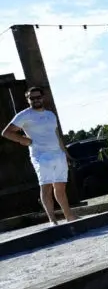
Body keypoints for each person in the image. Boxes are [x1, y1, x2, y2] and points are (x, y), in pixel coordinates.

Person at [2, 86, 78, 225]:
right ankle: (52, 220)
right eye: (32, 98)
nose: (36, 100)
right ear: (28, 99)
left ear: (42, 98)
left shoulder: (50, 115)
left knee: (60, 187)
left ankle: (69, 216)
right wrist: (23, 140)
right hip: (41, 156)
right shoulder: (24, 115)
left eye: (38, 97)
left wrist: (65, 153)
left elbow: (56, 135)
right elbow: (6, 132)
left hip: (58, 154)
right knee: (46, 187)